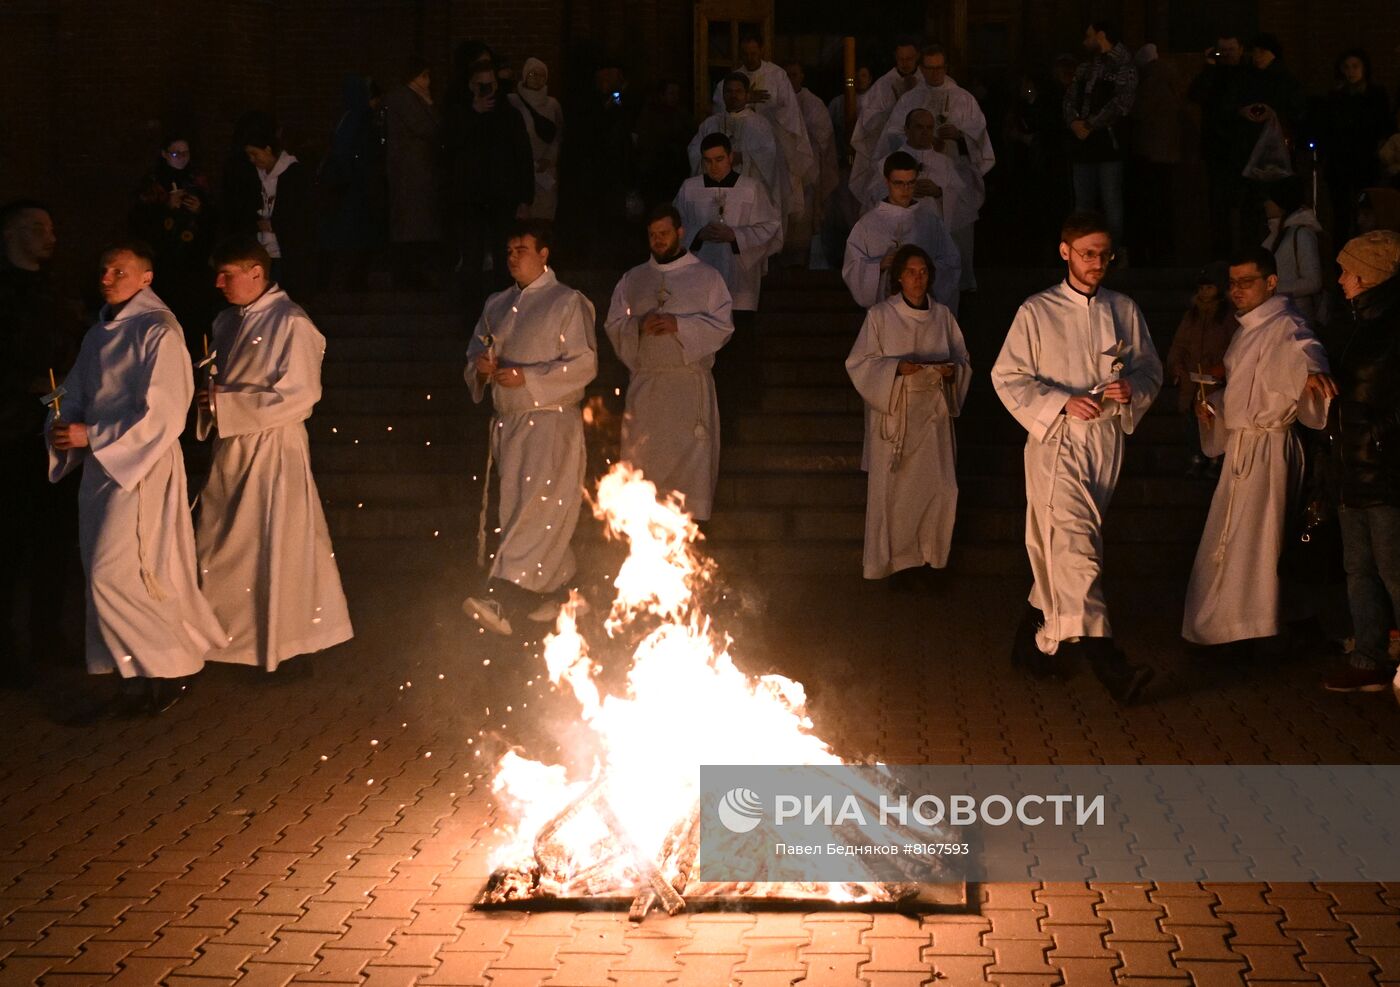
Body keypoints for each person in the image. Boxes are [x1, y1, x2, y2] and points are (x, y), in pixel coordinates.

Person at [46, 242, 225, 716]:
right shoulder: (99, 333)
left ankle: (170, 668)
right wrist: (56, 420)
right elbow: (70, 390)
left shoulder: (159, 330)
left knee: (119, 573)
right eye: (104, 269)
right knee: (109, 574)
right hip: (102, 468)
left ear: (146, 278)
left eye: (119, 270)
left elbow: (165, 414)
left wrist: (95, 434)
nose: (107, 277)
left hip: (139, 468)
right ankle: (134, 679)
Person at [991, 211, 1160, 703]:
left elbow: (1151, 367)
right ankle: (1112, 667)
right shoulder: (1037, 311)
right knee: (1076, 550)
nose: (1098, 263)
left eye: (1105, 254)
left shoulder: (1123, 308)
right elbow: (1008, 376)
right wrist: (1060, 402)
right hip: (1057, 440)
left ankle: (1031, 647)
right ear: (1065, 251)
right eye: (1088, 253)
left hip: (1106, 443)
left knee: (1060, 552)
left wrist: (1133, 387)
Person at [194, 236, 353, 674]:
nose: (219, 282)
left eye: (228, 274)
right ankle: (227, 642)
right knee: (219, 542)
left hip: (274, 449)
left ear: (256, 272)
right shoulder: (226, 321)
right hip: (233, 447)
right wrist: (212, 402)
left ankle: (282, 647)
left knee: (272, 545)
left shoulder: (292, 322)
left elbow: (301, 395)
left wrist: (226, 405)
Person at [1182, 247, 1333, 648]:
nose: (1236, 291)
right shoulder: (1250, 327)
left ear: (1270, 282)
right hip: (1245, 448)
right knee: (1237, 538)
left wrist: (1315, 372)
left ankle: (1258, 627)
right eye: (1232, 283)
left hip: (1270, 449)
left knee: (1259, 541)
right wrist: (1214, 406)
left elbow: (1306, 346)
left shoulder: (1285, 323)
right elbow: (1243, 391)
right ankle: (1238, 624)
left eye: (1246, 282)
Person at [463, 222, 597, 636]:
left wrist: (530, 378)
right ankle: (562, 592)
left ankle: (503, 595)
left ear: (544, 255)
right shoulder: (497, 303)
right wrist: (482, 369)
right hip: (510, 423)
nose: (513, 256)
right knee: (523, 508)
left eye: (522, 248)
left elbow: (585, 364)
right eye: (508, 250)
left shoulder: (567, 302)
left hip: (551, 420)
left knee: (538, 508)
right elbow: (475, 352)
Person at [846, 244, 970, 585]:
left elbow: (963, 359)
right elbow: (859, 363)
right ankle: (897, 565)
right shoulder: (881, 316)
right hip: (897, 412)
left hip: (933, 415)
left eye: (923, 272)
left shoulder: (942, 315)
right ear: (899, 277)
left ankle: (932, 558)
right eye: (911, 272)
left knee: (941, 487)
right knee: (897, 495)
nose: (918, 279)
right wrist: (896, 368)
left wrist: (951, 373)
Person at [603, 205, 733, 521]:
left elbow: (723, 326)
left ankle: (690, 543)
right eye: (652, 235)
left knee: (690, 477)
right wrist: (637, 326)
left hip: (688, 387)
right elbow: (613, 325)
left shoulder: (706, 277)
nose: (658, 240)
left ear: (679, 232)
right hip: (647, 387)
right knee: (644, 467)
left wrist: (681, 325)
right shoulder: (633, 279)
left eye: (664, 233)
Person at [0, 201, 84, 689]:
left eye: (51, 227)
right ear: (12, 234)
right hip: (9, 432)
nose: (49, 237)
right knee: (9, 543)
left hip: (55, 430)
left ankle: (48, 636)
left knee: (54, 538)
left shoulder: (56, 289)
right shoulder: (5, 292)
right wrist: (22, 385)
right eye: (36, 229)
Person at [1319, 231, 1400, 693]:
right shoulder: (1358, 323)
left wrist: (1381, 430)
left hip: (1386, 471)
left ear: (1369, 274)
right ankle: (1368, 656)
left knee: (1392, 569)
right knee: (1360, 569)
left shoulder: (1389, 326)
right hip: (1353, 466)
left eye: (1348, 270)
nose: (1342, 278)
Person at [674, 133, 782, 415]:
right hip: (701, 282)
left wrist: (735, 236)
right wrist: (698, 233)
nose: (714, 167)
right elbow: (674, 229)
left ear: (731, 157)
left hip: (740, 283)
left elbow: (772, 229)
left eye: (720, 159)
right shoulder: (689, 188)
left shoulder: (751, 188)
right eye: (708, 161)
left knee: (740, 345)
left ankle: (742, 407)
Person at [878, 45, 994, 290]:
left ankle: (959, 285)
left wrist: (961, 135)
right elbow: (892, 133)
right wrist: (920, 141)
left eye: (938, 68)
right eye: (928, 69)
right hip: (917, 176)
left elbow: (981, 138)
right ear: (922, 69)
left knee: (957, 232)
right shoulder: (910, 99)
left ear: (946, 67)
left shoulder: (963, 98)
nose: (934, 73)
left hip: (954, 173)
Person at [709, 31, 815, 232]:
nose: (750, 58)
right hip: (739, 145)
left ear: (762, 50)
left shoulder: (777, 75)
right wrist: (745, 99)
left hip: (771, 146)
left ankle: (769, 241)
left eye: (753, 53)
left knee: (771, 196)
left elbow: (791, 113)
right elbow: (719, 111)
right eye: (746, 54)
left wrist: (769, 115)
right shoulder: (731, 81)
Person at [447, 62, 534, 306]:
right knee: (472, 258)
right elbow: (450, 146)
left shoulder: (509, 114)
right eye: (480, 85)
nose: (487, 90)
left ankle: (504, 310)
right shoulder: (460, 113)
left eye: (490, 85)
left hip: (502, 196)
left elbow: (522, 155)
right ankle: (471, 312)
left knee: (503, 255)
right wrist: (473, 113)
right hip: (471, 198)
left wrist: (525, 198)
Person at [843, 151, 961, 314]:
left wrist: (923, 267)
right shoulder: (868, 224)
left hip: (923, 312)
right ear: (887, 181)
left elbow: (951, 262)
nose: (905, 190)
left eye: (911, 183)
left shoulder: (930, 221)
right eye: (898, 183)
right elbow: (852, 267)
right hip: (885, 313)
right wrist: (879, 266)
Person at [129, 135, 217, 338]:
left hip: (194, 263)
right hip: (164, 264)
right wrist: (166, 208)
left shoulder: (198, 181)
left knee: (195, 320)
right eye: (176, 154)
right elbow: (141, 223)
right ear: (165, 154)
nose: (182, 158)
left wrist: (200, 210)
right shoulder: (152, 183)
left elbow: (213, 219)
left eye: (185, 153)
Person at [863, 110, 977, 262]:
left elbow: (963, 202)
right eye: (919, 127)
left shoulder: (945, 163)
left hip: (934, 235)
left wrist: (939, 192)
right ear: (906, 130)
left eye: (929, 128)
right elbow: (873, 195)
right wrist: (904, 191)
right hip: (899, 236)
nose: (925, 132)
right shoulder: (888, 162)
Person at [1062, 20, 1137, 251]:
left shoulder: (1123, 66)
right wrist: (1074, 121)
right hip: (1084, 145)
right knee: (1083, 203)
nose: (1086, 41)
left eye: (1089, 35)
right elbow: (1070, 96)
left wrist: (1090, 124)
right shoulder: (1086, 67)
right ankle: (1082, 250)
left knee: (1111, 201)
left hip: (1108, 144)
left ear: (1101, 35)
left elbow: (1121, 103)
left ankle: (1112, 252)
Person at [1164, 263, 1237, 477]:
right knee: (1191, 420)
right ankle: (1196, 457)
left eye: (1209, 288)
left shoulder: (1228, 315)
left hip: (1215, 378)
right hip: (1192, 378)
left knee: (1214, 418)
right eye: (1201, 288)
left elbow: (1234, 345)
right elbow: (1179, 343)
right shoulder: (1192, 316)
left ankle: (1216, 458)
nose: (1204, 292)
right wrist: (1177, 366)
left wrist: (1222, 368)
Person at [1316, 49, 1392, 240]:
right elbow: (1328, 130)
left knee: (1366, 214)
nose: (1351, 72)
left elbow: (1383, 127)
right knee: (1341, 215)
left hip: (1366, 163)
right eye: (1347, 67)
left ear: (1364, 68)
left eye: (1355, 66)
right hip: (1340, 164)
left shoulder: (1375, 96)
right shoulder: (1336, 97)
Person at [689, 74, 787, 221]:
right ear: (723, 94)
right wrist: (712, 160)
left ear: (747, 95)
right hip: (714, 189)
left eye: (738, 91)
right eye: (729, 91)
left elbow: (769, 155)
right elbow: (694, 151)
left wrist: (743, 157)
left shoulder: (760, 124)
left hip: (747, 191)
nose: (733, 95)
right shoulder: (710, 124)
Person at [319, 75, 385, 293]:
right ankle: (355, 280)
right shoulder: (362, 118)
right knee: (360, 234)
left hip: (350, 186)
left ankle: (348, 280)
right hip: (359, 185)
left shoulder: (346, 119)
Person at [383, 57, 445, 290]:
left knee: (414, 225)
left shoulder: (403, 100)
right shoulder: (404, 99)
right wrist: (429, 106)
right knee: (412, 226)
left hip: (415, 173)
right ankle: (410, 277)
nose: (427, 82)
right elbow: (429, 128)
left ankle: (413, 275)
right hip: (411, 174)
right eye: (424, 76)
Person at [1189, 33, 1251, 254]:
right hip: (1216, 149)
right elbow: (1195, 95)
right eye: (1222, 51)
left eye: (1230, 50)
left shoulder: (1248, 75)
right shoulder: (1213, 74)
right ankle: (1221, 252)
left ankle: (1245, 251)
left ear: (1241, 49)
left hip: (1243, 148)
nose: (1226, 55)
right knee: (1218, 205)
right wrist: (1208, 67)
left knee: (1245, 204)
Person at [1125, 44, 1184, 265]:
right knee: (1163, 204)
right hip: (1167, 153)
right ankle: (1164, 253)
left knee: (1150, 205)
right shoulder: (1169, 79)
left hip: (1149, 153)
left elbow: (1139, 112)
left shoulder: (1150, 82)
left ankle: (1151, 253)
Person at [242, 121, 315, 294]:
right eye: (249, 155)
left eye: (255, 153)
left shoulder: (294, 175)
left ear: (268, 149)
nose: (252, 159)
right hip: (264, 251)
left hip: (287, 252)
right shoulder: (256, 177)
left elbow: (300, 213)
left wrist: (275, 224)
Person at [849, 39, 922, 195]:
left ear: (917, 57)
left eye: (909, 58)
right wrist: (894, 109)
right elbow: (867, 122)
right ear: (895, 57)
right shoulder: (883, 85)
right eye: (901, 59)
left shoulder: (926, 82)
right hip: (890, 150)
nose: (905, 63)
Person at [785, 61, 839, 266]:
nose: (791, 79)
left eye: (794, 74)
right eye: (787, 75)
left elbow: (823, 136)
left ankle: (803, 265)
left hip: (807, 171)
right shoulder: (778, 103)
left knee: (805, 222)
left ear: (802, 76)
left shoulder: (813, 103)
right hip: (785, 172)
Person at [509, 58, 564, 222]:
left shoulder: (552, 105)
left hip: (545, 169)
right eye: (533, 74)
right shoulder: (513, 101)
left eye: (541, 75)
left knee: (543, 214)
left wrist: (549, 158)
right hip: (521, 165)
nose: (537, 78)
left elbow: (559, 134)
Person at [1261, 177, 1323, 324]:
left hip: (1296, 319)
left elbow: (1313, 282)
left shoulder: (1302, 234)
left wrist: (1270, 290)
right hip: (1278, 316)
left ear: (1281, 203)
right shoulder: (1277, 233)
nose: (1265, 204)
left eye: (1269, 199)